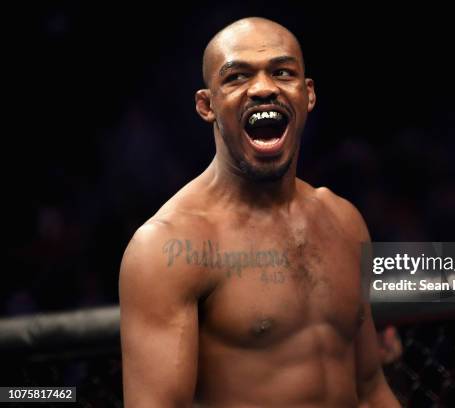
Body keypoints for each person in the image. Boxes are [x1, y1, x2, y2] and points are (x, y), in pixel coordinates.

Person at [119, 17, 400, 407]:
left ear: (308, 95)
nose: (264, 88)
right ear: (207, 105)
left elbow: (370, 389)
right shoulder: (167, 247)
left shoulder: (344, 220)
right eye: (237, 77)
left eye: (282, 72)